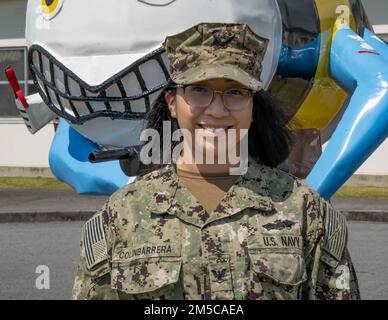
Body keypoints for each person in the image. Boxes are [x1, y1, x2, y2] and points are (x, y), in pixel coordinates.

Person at [72, 23, 360, 300]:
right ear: (172, 102)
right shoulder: (122, 214)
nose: (217, 109)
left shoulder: (304, 211)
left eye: (235, 92)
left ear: (253, 107)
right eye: (199, 89)